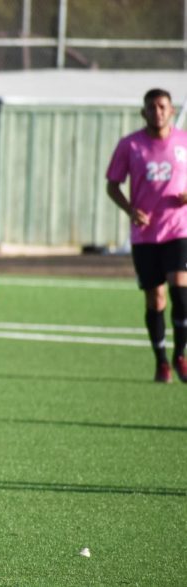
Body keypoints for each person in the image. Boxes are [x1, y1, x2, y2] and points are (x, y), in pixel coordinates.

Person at [106, 88, 187, 384]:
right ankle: (162, 361)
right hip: (145, 234)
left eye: (163, 106)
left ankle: (181, 355)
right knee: (156, 299)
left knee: (180, 290)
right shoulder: (130, 145)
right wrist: (130, 210)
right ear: (144, 112)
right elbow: (112, 185)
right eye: (152, 107)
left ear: (172, 111)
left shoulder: (184, 142)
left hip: (179, 229)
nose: (158, 111)